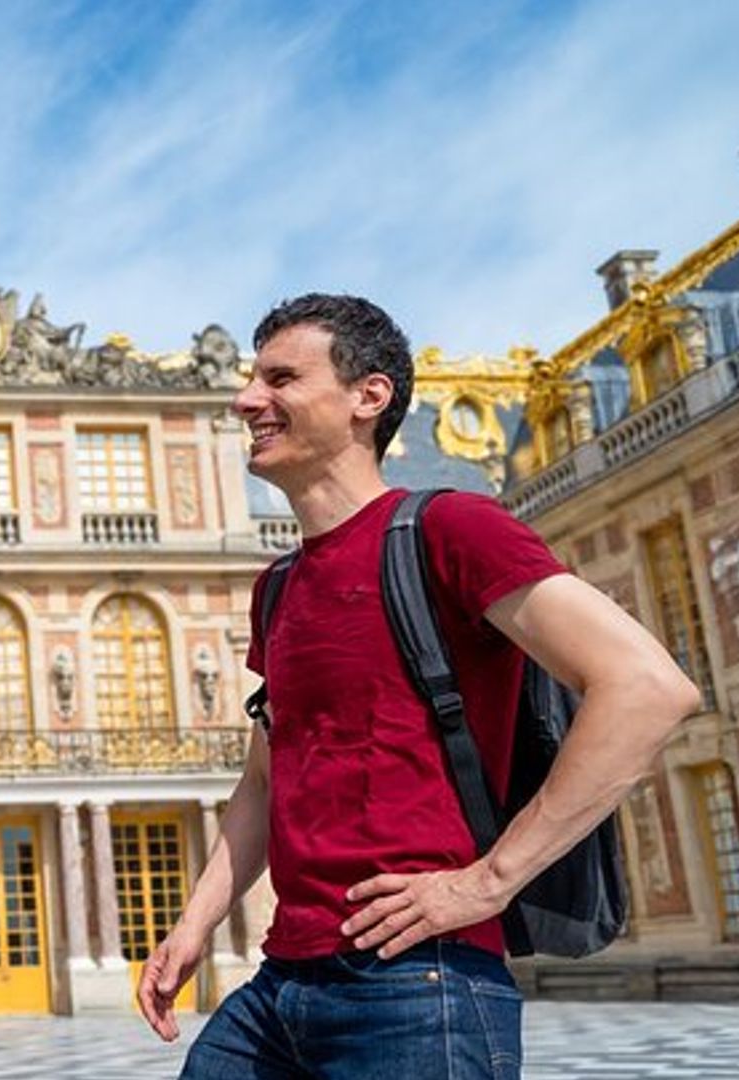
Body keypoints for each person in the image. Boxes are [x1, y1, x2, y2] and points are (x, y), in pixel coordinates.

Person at [137, 294, 698, 1080]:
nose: (245, 400)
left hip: (419, 982)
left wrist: (489, 883)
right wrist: (195, 923)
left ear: (368, 396)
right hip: (283, 982)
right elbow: (265, 780)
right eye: (252, 380)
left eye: (281, 379)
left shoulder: (450, 530)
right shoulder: (279, 587)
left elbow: (647, 687)